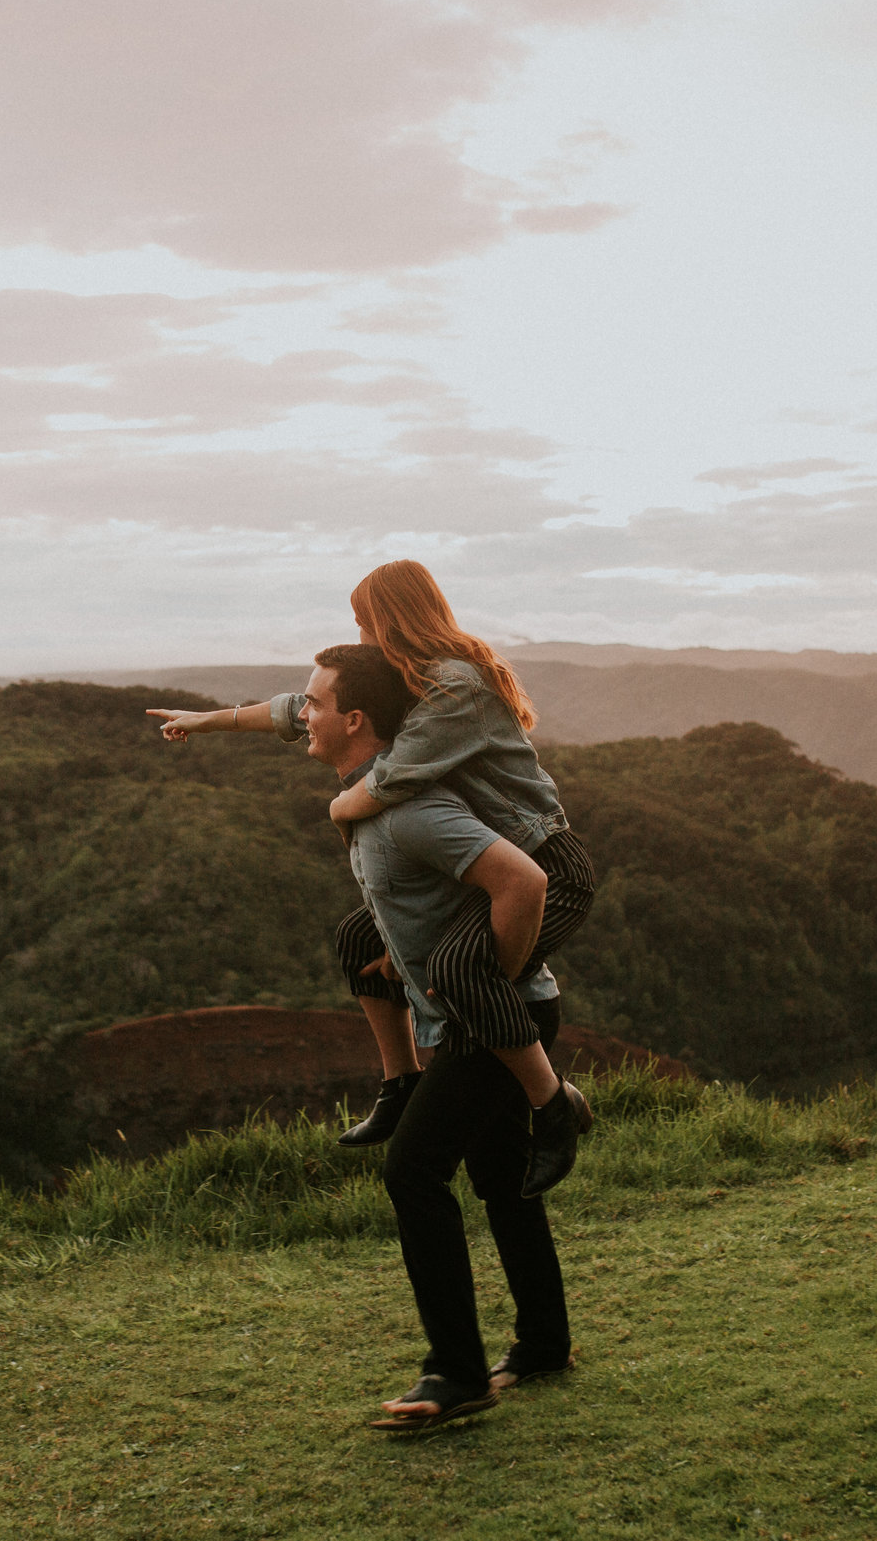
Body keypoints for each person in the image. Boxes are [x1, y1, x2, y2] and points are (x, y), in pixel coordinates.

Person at [149, 561, 597, 1195]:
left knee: (462, 972)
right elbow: (303, 709)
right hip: (485, 864)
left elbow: (392, 778)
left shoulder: (456, 686)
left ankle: (552, 1106)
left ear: (392, 619)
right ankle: (402, 1083)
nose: (359, 636)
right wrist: (210, 719)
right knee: (361, 939)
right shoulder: (407, 675)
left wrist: (337, 809)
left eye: (364, 623)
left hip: (546, 863)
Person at [294, 644, 580, 1430]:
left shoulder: (409, 808)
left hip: (491, 1024)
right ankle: (543, 1342)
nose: (303, 714)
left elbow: (525, 880)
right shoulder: (376, 800)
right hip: (480, 1018)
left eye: (314, 703)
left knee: (414, 1170)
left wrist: (491, 990)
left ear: (356, 720)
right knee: (500, 1173)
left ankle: (456, 1371)